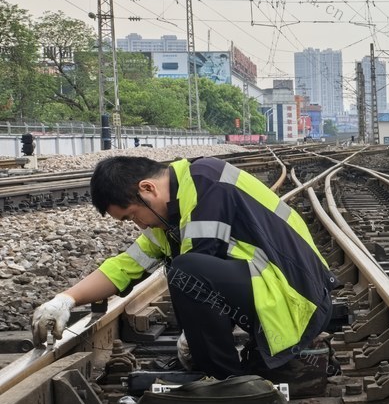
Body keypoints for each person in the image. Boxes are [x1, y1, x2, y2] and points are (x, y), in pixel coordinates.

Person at [31, 156, 334, 387]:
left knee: (186, 270)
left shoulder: (206, 184)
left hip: (296, 297)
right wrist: (65, 300)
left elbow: (199, 267)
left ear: (147, 189)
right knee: (186, 269)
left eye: (133, 216)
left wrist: (194, 336)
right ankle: (224, 377)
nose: (139, 225)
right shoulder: (176, 207)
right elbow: (125, 266)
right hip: (283, 289)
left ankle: (223, 381)